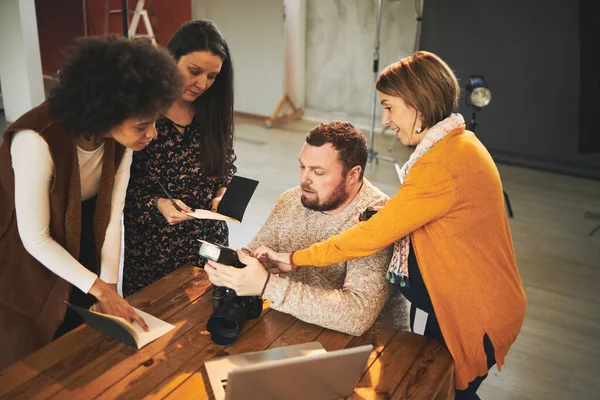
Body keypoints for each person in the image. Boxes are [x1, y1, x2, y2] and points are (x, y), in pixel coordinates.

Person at [252, 51, 527, 399]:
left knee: (444, 391)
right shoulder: (458, 144)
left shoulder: (441, 164)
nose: (384, 120)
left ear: (417, 105)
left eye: (389, 106)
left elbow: (369, 237)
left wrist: (294, 259)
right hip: (465, 300)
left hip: (475, 309)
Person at [0, 35, 182, 368]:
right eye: (142, 125)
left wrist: (109, 285)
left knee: (82, 338)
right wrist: (99, 287)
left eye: (155, 121)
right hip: (24, 249)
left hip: (81, 232)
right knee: (30, 348)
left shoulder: (121, 140)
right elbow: (35, 238)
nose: (153, 134)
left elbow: (113, 216)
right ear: (103, 114)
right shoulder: (37, 139)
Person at [204, 121, 407, 336]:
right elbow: (256, 253)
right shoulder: (291, 200)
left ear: (353, 175)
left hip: (370, 347)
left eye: (318, 172)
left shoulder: (378, 218)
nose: (304, 180)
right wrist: (233, 270)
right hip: (297, 329)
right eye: (302, 166)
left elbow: (357, 316)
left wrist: (267, 286)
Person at [122, 20, 236, 298]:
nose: (202, 84)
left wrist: (224, 193)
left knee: (206, 323)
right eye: (194, 71)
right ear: (170, 60)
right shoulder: (141, 111)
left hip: (208, 243)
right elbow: (118, 191)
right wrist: (158, 204)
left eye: (212, 77)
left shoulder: (213, 110)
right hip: (154, 248)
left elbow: (226, 168)